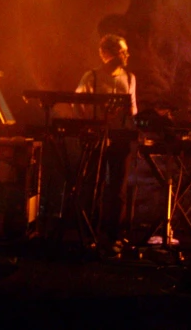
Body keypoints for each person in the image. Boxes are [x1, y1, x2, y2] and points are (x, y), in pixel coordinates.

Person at [75, 34, 138, 249]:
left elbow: (133, 110)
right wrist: (88, 123)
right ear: (108, 54)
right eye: (123, 51)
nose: (127, 55)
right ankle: (89, 232)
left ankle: (114, 235)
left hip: (120, 137)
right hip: (97, 136)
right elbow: (77, 102)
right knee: (95, 183)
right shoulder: (91, 76)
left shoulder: (129, 78)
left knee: (118, 188)